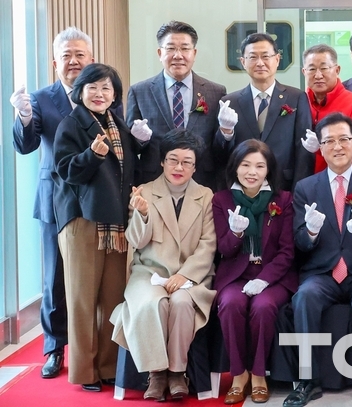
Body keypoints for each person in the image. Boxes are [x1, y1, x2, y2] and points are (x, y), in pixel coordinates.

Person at [52, 63, 150, 391]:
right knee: (82, 301)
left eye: (106, 88)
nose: (99, 93)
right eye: (92, 87)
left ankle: (108, 366)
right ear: (80, 91)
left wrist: (142, 143)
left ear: (115, 94)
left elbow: (128, 170)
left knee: (112, 298)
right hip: (83, 221)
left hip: (116, 224)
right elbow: (66, 171)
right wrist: (91, 156)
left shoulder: (117, 124)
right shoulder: (71, 124)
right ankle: (84, 371)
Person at [287, 113, 352, 407]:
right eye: (329, 141)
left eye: (344, 139)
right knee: (304, 296)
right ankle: (307, 380)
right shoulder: (306, 187)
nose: (337, 146)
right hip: (322, 271)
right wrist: (310, 231)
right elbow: (300, 242)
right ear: (320, 148)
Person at [10, 26, 94, 379]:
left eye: (80, 55)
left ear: (91, 59)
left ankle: (95, 348)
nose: (74, 61)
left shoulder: (103, 92)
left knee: (96, 275)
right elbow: (26, 145)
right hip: (54, 198)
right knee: (54, 276)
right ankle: (54, 348)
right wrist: (24, 116)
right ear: (55, 62)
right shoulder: (42, 98)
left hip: (95, 196)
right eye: (66, 56)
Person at [110, 129, 217, 401]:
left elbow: (208, 244)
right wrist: (143, 214)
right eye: (173, 160)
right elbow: (136, 241)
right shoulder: (145, 191)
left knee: (181, 303)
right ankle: (156, 372)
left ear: (195, 166)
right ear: (162, 161)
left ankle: (177, 372)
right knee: (154, 303)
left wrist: (185, 275)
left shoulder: (205, 195)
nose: (179, 168)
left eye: (187, 162)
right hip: (149, 273)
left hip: (191, 277)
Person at [212, 139, 298, 404]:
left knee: (263, 307)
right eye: (245, 165)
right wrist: (236, 233)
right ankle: (239, 375)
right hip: (235, 274)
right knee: (230, 304)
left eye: (260, 166)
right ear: (235, 167)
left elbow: (287, 251)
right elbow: (224, 250)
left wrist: (264, 280)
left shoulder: (283, 200)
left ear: (268, 170)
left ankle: (259, 375)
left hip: (273, 276)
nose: (252, 172)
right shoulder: (221, 200)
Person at [126, 20, 226, 188]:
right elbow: (130, 147)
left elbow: (219, 147)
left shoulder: (216, 92)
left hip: (202, 181)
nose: (178, 55)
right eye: (171, 48)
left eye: (185, 49)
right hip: (153, 181)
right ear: (160, 53)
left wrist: (227, 132)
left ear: (194, 53)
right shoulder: (139, 91)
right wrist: (138, 139)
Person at [214, 32, 313, 191]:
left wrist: (299, 191)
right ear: (243, 62)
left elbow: (302, 150)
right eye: (253, 57)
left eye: (266, 56)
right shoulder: (229, 102)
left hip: (283, 186)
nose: (260, 63)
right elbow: (219, 155)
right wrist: (226, 132)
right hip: (242, 188)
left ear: (277, 59)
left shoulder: (297, 98)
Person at [301, 44, 352, 173]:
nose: (318, 75)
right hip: (301, 179)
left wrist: (322, 147)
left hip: (342, 179)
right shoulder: (299, 101)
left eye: (324, 68)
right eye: (311, 69)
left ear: (337, 70)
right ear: (304, 72)